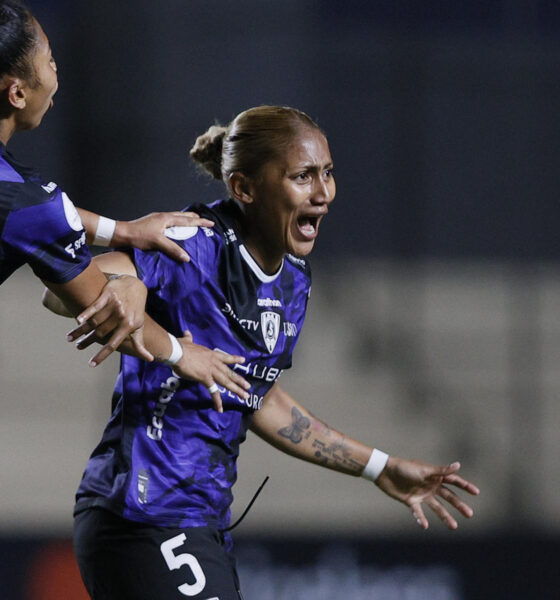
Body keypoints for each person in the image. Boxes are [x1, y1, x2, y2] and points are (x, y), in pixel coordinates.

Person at [56, 106, 479, 600]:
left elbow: (262, 400)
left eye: (327, 173)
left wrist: (379, 466)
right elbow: (62, 288)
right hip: (141, 516)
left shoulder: (294, 284)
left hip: (201, 522)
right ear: (244, 189)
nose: (323, 193)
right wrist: (126, 281)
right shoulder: (194, 245)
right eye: (303, 177)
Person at [0, 0, 252, 399]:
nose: (56, 74)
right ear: (16, 92)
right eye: (49, 61)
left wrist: (123, 232)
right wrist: (180, 352)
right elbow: (99, 302)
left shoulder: (23, 200)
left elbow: (28, 215)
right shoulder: (27, 202)